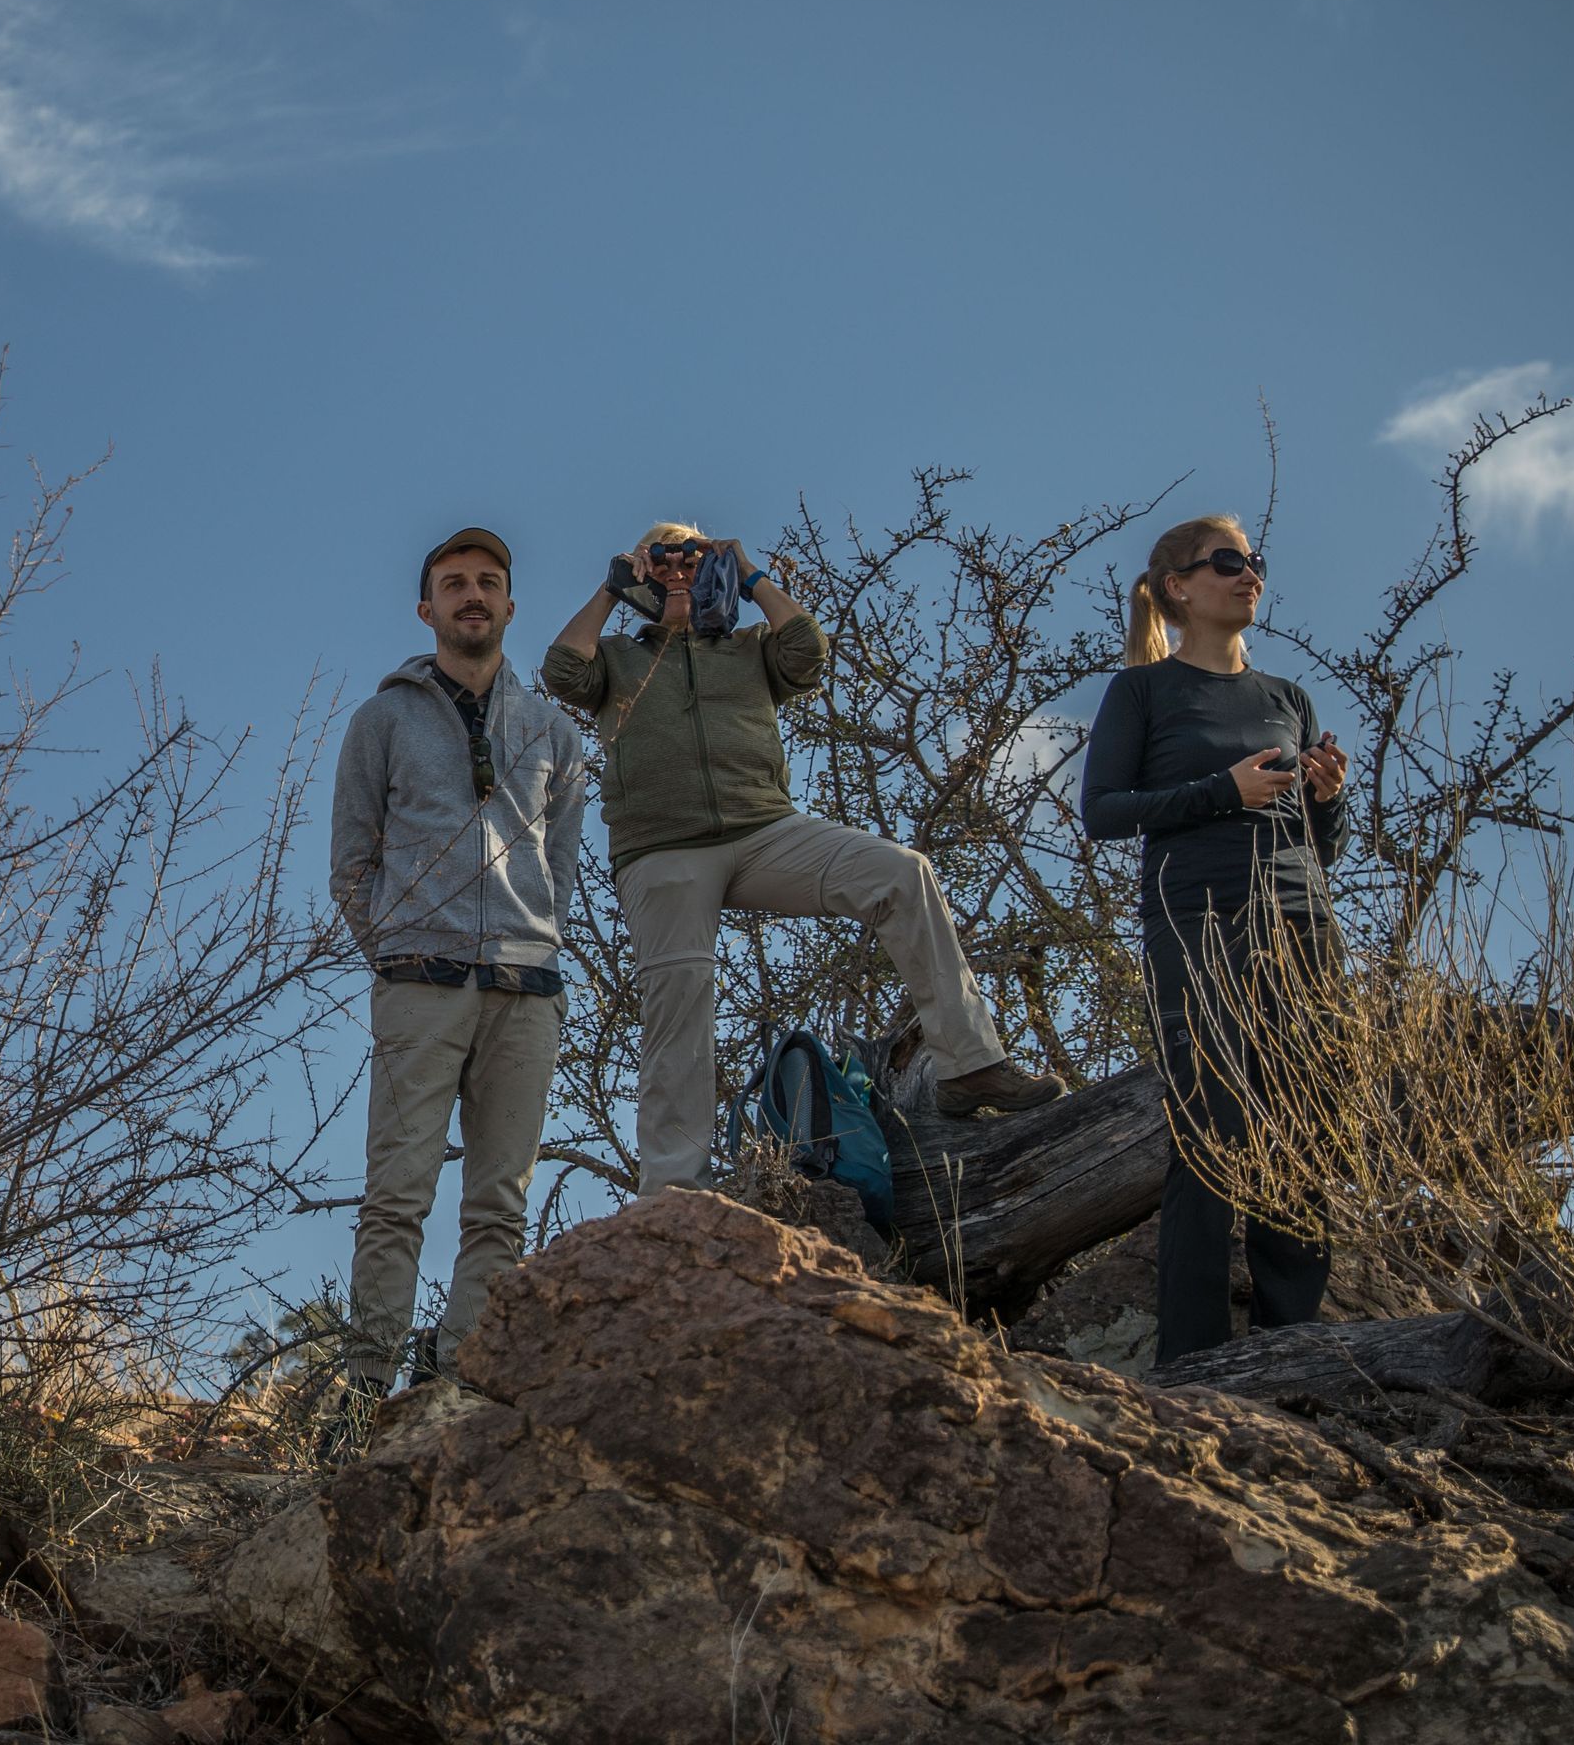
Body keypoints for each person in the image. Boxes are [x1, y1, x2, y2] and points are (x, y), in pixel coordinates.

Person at [543, 523, 1061, 1196]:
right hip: (662, 850)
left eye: (693, 563)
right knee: (679, 1002)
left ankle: (968, 1064)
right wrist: (612, 588)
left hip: (765, 831)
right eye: (662, 563)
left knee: (903, 874)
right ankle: (674, 1192)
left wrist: (748, 573)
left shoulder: (750, 648)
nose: (678, 573)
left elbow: (808, 652)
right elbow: (562, 671)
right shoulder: (617, 658)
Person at [1079, 515, 1347, 1365]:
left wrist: (1327, 799)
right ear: (1177, 588)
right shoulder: (1143, 692)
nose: (1249, 575)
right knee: (1210, 1129)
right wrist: (1220, 791)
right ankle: (1192, 1363)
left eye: (1254, 562)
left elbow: (1318, 848)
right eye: (1227, 562)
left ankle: (1293, 1347)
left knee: (1303, 1131)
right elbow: (1104, 813)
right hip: (1198, 920)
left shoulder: (1289, 699)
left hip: (1302, 925)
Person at [328, 528, 585, 1395]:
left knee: (499, 1208)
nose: (471, 596)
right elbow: (351, 865)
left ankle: (461, 1389)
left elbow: (562, 868)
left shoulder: (552, 729)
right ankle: (363, 1397)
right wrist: (402, 954)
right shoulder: (383, 719)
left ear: (510, 605)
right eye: (453, 584)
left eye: (488, 582)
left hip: (526, 989)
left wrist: (531, 942)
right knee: (395, 1201)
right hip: (420, 988)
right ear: (426, 609)